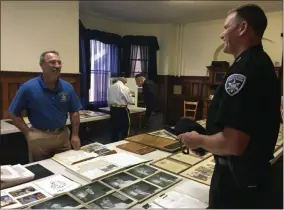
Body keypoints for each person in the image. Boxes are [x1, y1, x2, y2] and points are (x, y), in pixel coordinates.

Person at [177, 4, 281, 209]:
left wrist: (197, 140)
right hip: (251, 176)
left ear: (242, 28)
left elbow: (234, 144)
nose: (222, 34)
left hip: (237, 181)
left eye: (226, 27)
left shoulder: (245, 70)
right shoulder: (259, 61)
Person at [8, 50, 82, 163]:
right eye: (52, 62)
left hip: (63, 136)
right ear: (42, 65)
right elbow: (13, 113)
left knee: (67, 168)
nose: (57, 66)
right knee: (41, 171)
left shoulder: (67, 87)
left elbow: (74, 112)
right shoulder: (28, 87)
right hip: (40, 137)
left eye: (59, 62)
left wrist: (75, 135)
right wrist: (28, 133)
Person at [107, 77, 134, 142]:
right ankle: (124, 142)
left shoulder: (111, 87)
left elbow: (109, 100)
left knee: (114, 128)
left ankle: (113, 143)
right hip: (122, 109)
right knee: (125, 127)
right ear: (124, 81)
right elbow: (130, 101)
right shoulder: (124, 88)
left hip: (113, 109)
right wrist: (132, 96)